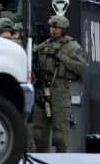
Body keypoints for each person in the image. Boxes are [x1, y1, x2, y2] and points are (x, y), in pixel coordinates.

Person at [31, 15, 85, 153]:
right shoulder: (44, 46)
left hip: (60, 89)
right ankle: (41, 158)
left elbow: (81, 68)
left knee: (60, 132)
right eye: (52, 27)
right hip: (42, 89)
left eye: (56, 28)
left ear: (63, 30)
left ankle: (62, 159)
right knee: (37, 131)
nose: (53, 30)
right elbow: (31, 59)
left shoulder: (72, 46)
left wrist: (60, 55)